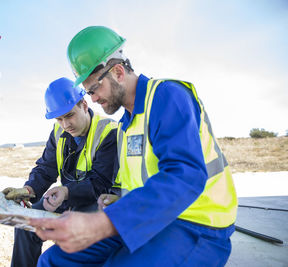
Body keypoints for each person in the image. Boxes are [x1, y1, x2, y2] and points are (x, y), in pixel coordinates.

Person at [29, 26, 238, 266]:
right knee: (53, 260)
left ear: (118, 72)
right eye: (88, 91)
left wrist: (102, 223)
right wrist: (120, 202)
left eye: (94, 89)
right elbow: (145, 181)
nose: (93, 99)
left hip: (197, 224)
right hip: (151, 220)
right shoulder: (126, 124)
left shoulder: (166, 96)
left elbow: (186, 176)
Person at [2, 77, 118, 267]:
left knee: (67, 246)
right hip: (67, 199)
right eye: (59, 119)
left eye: (69, 115)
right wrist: (30, 189)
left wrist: (66, 192)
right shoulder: (58, 132)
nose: (65, 124)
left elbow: (101, 183)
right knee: (25, 225)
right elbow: (46, 168)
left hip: (99, 202)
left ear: (84, 104)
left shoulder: (109, 132)